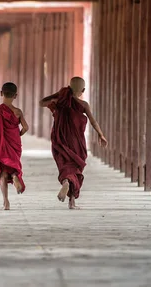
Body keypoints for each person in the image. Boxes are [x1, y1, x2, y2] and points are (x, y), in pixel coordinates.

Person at [39, 77, 107, 209]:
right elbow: (93, 121)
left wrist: (57, 95)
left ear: (68, 88)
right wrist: (101, 135)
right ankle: (72, 200)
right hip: (77, 142)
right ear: (83, 90)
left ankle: (66, 183)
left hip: (61, 139)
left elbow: (42, 102)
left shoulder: (59, 101)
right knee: (75, 168)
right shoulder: (83, 105)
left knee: (65, 165)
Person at [0, 82, 29, 210]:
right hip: (14, 144)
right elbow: (26, 127)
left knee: (2, 174)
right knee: (13, 167)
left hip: (0, 146)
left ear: (1, 93)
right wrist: (17, 135)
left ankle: (6, 202)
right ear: (15, 96)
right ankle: (15, 176)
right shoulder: (17, 112)